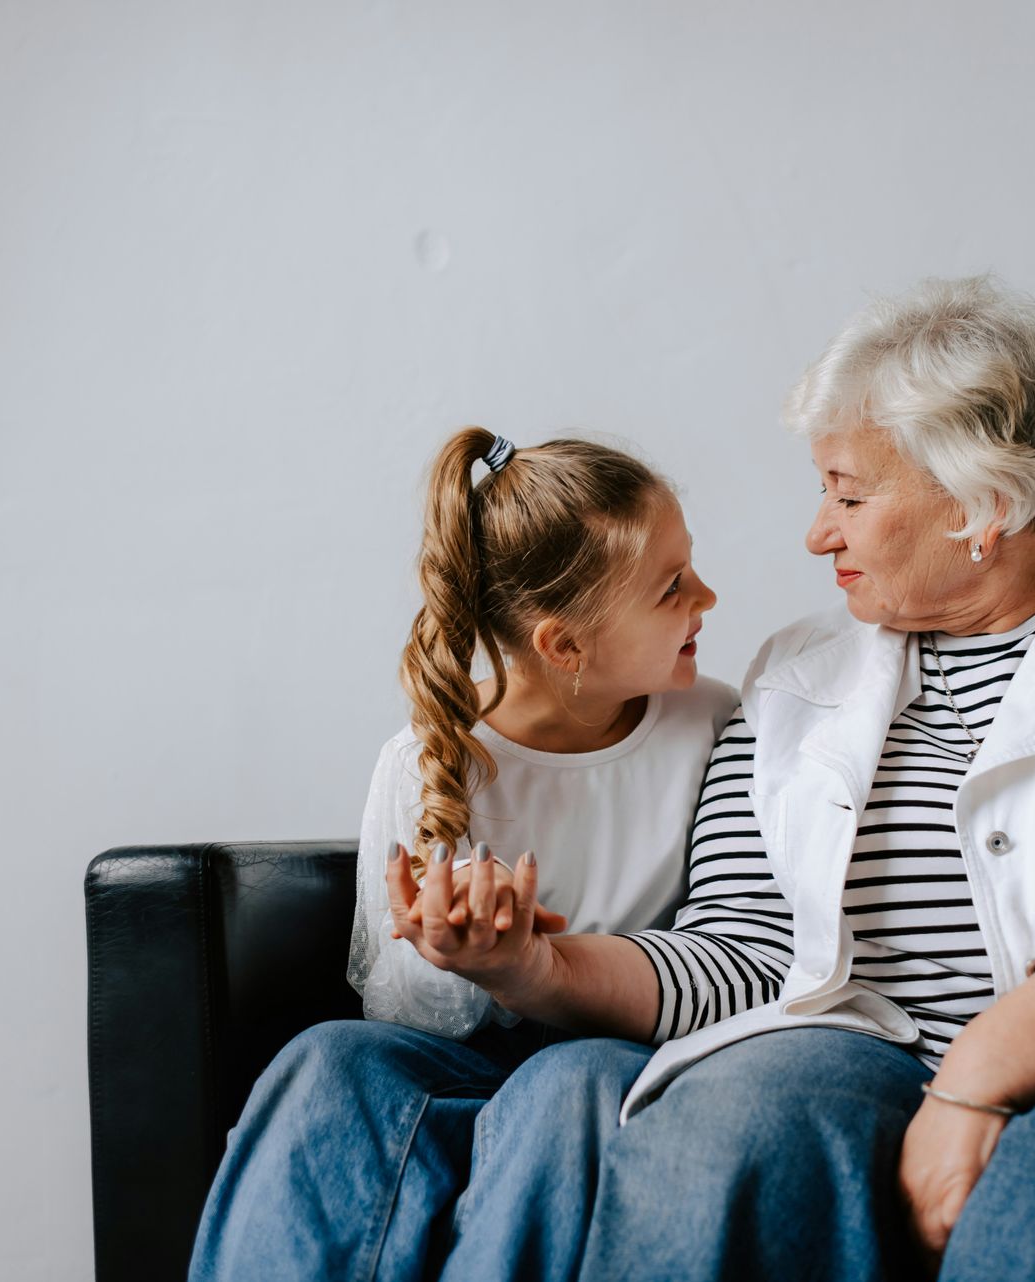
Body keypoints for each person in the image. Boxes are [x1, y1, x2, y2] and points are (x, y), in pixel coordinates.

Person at [382, 277, 1035, 1281]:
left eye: (848, 493)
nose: (816, 531)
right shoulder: (796, 673)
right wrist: (539, 969)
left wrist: (974, 1083)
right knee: (726, 1127)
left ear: (982, 507)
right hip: (854, 1060)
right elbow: (745, 957)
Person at [187, 427, 735, 1280]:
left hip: (616, 1043)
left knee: (574, 1077)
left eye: (690, 567)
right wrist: (461, 950)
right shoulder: (429, 759)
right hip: (466, 1052)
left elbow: (730, 932)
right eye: (672, 589)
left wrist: (552, 969)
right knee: (329, 1057)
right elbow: (401, 1008)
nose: (708, 596)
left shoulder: (713, 725)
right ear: (565, 647)